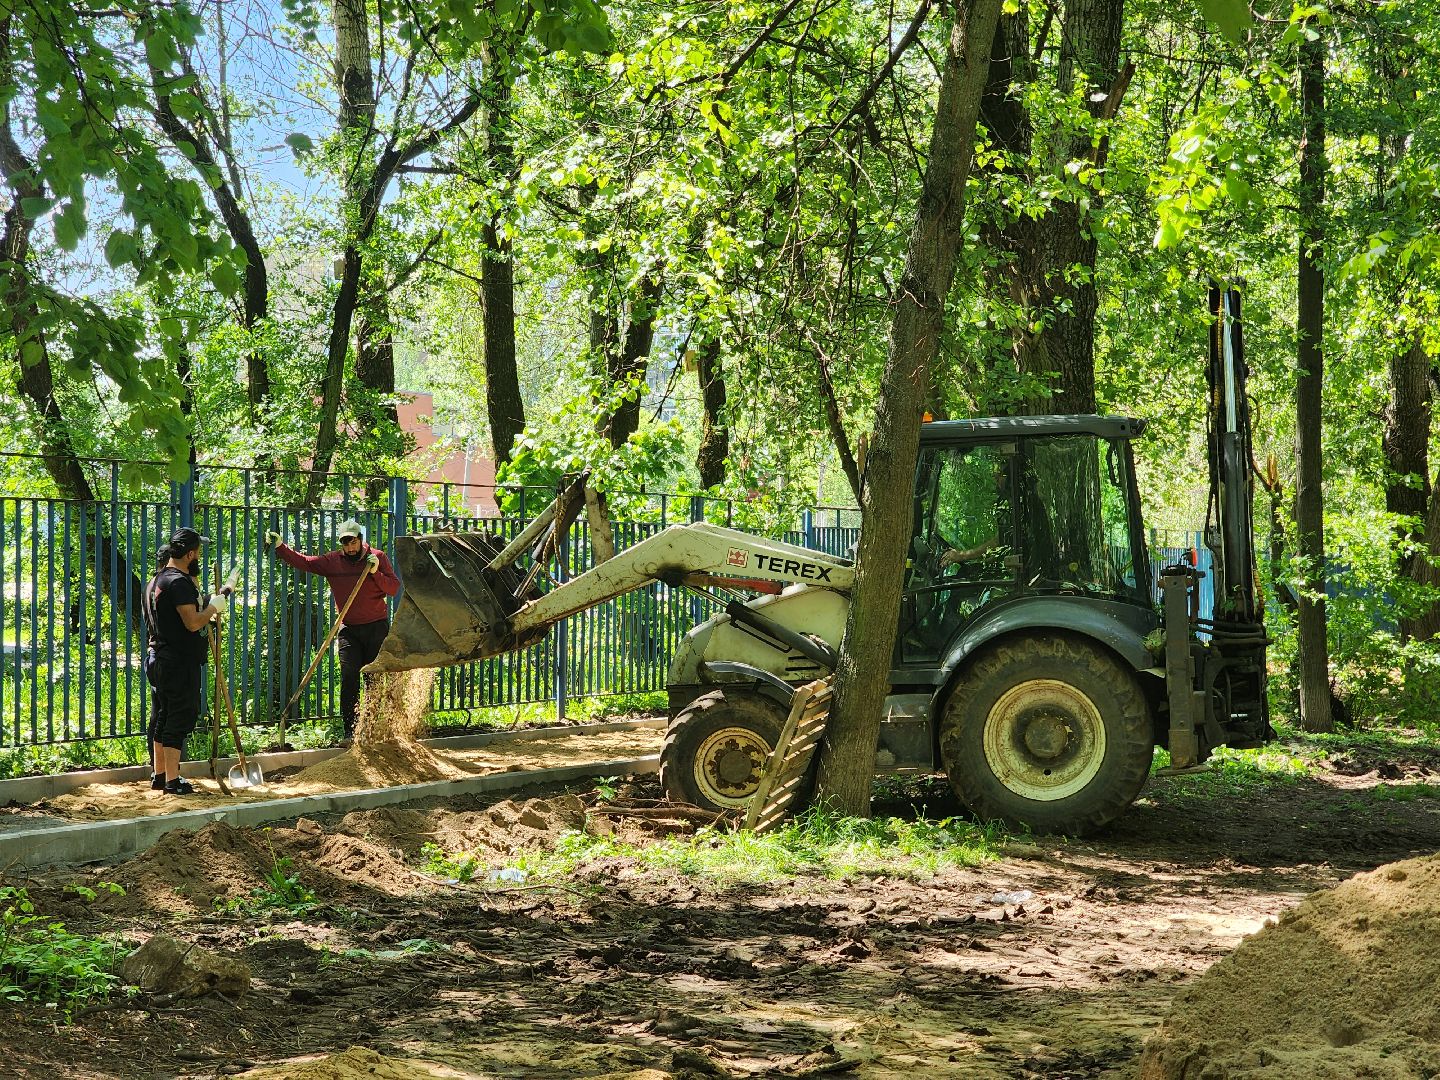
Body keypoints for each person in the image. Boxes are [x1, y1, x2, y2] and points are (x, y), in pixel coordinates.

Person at [266, 519, 400, 741]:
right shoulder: (333, 561)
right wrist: (281, 547)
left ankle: (370, 729)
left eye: (353, 542)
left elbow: (393, 588)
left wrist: (376, 572)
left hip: (376, 628)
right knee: (349, 677)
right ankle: (350, 730)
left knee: (373, 679)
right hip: (348, 629)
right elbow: (306, 562)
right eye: (346, 544)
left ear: (361, 540)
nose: (350, 548)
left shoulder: (377, 558)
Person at [142, 527, 231, 795]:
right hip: (177, 663)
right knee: (178, 718)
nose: (199, 557)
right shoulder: (178, 582)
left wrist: (210, 599)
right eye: (198, 552)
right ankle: (172, 781)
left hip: (158, 658)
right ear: (190, 554)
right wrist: (213, 608)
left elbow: (176, 616)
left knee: (163, 716)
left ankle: (159, 776)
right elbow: (192, 623)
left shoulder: (157, 580)